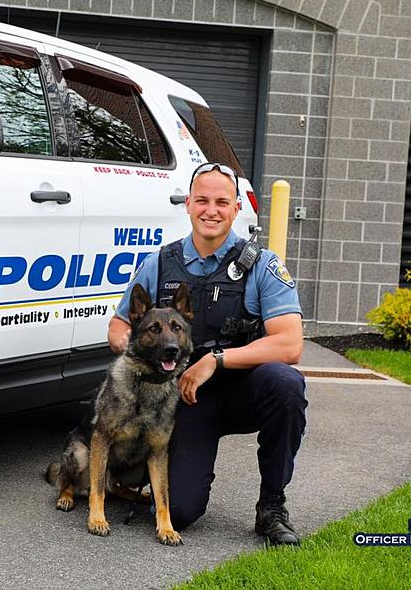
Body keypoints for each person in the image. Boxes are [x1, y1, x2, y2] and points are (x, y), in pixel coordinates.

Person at [107, 162, 308, 546]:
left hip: (242, 390)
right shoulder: (160, 263)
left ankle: (272, 506)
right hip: (184, 400)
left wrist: (214, 361)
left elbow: (289, 344)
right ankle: (143, 481)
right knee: (179, 513)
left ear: (236, 208)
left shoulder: (262, 265)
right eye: (202, 200)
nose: (210, 210)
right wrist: (138, 353)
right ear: (187, 205)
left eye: (221, 202)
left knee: (285, 384)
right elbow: (118, 328)